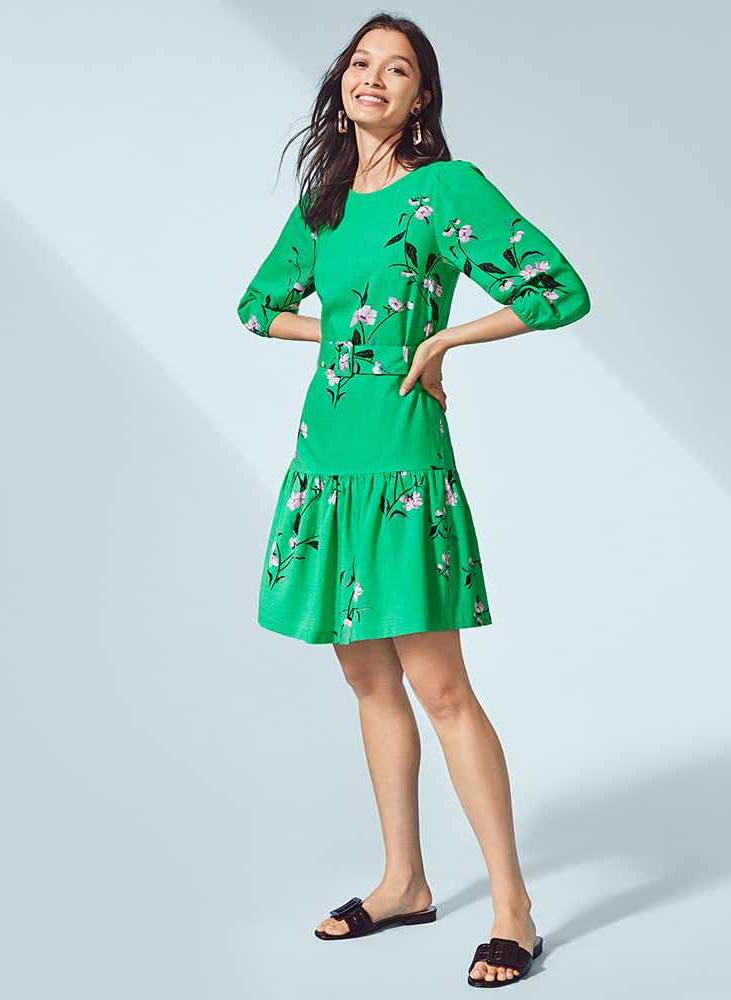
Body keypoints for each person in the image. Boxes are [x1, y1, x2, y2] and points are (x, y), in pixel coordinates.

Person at [237, 12, 590, 988]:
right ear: (341, 81)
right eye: (362, 63)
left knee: (441, 687)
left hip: (402, 462)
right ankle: (404, 882)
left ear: (421, 96)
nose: (374, 80)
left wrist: (438, 341)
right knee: (367, 682)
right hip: (325, 463)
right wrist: (348, 336)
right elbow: (258, 306)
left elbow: (558, 290)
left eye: (397, 70)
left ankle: (513, 908)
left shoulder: (444, 192)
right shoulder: (325, 204)